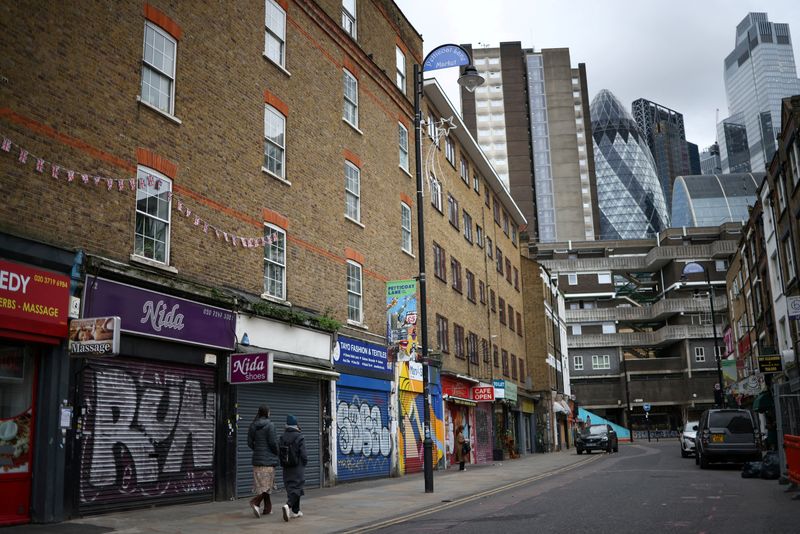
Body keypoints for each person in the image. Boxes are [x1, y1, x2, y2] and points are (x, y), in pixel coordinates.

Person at [247, 405, 278, 518]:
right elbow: (273, 443)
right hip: (268, 461)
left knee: (264, 486)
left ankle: (267, 509)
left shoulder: (253, 425)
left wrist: (258, 449)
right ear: (267, 413)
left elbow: (249, 443)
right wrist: (276, 452)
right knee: (267, 486)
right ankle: (255, 502)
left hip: (257, 461)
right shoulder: (270, 425)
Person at [280, 414, 308, 522]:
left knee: (291, 487)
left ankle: (296, 511)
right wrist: (304, 462)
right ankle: (288, 505)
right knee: (298, 486)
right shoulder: (299, 436)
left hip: (286, 466)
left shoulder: (282, 437)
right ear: (296, 424)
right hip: (297, 466)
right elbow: (304, 454)